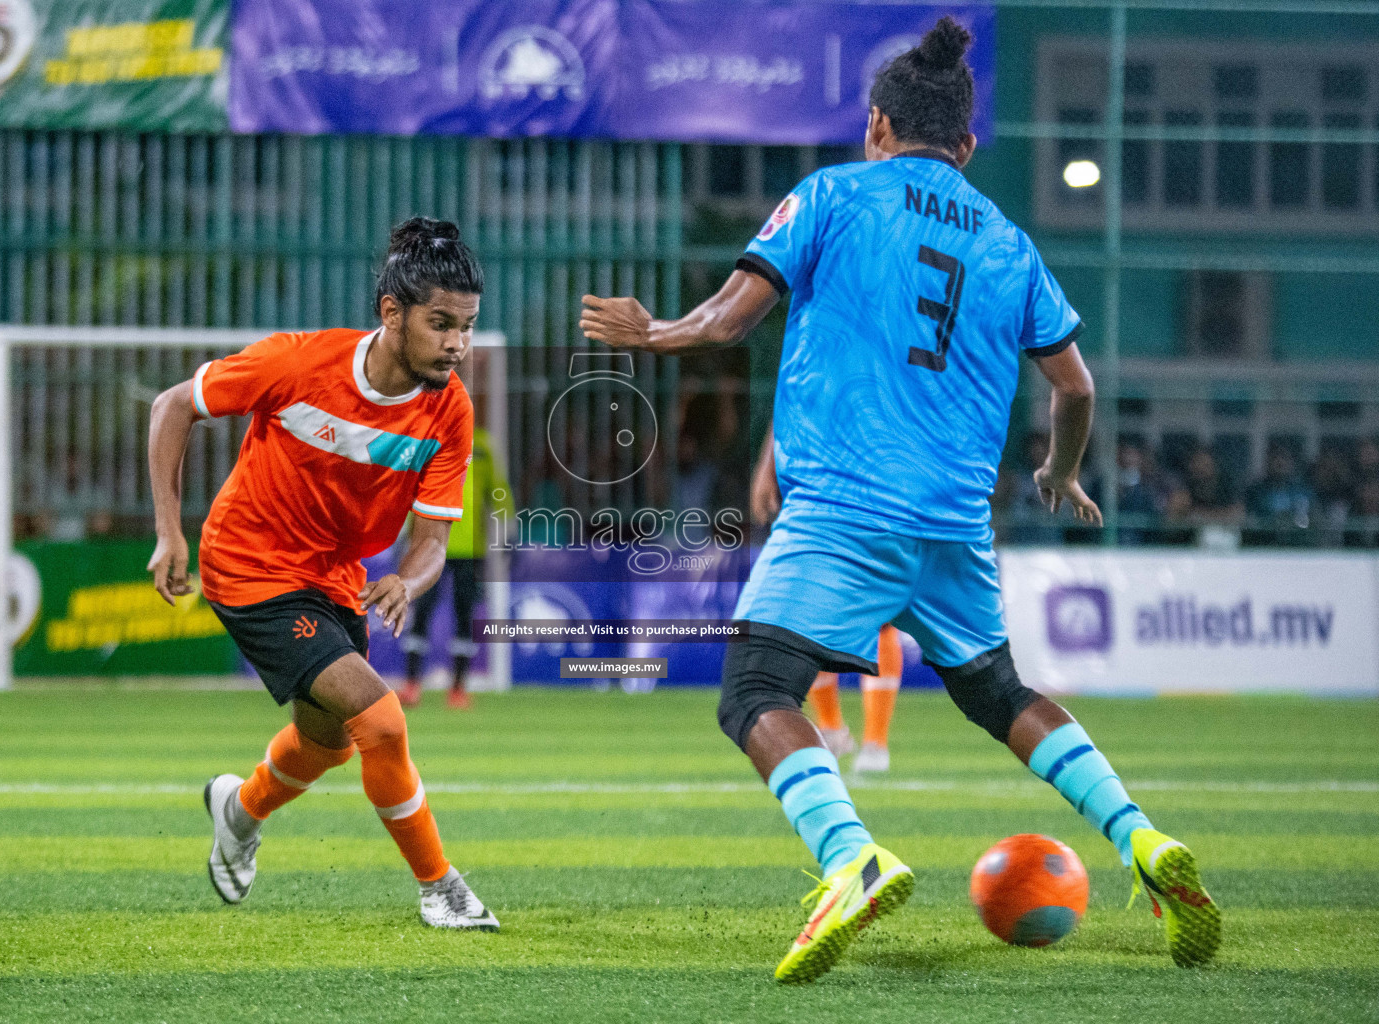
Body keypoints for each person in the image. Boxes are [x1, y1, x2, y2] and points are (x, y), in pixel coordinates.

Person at [580, 18, 1218, 982]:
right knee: (998, 690)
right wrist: (1058, 473)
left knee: (755, 689)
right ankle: (1140, 839)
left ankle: (850, 861)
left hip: (846, 505)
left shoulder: (832, 195)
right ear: (965, 148)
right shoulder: (1008, 242)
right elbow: (1076, 388)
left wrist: (655, 332)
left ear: (877, 123)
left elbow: (729, 318)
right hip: (957, 521)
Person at [146, 217, 499, 931]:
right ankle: (441, 887)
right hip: (248, 562)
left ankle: (237, 811)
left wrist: (411, 579)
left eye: (466, 327)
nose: (457, 345)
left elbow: (433, 538)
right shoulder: (297, 364)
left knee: (327, 744)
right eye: (441, 325)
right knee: (381, 719)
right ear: (391, 314)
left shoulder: (449, 413)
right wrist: (166, 531)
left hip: (335, 577)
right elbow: (172, 406)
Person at [753, 424, 901, 773]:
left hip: (874, 491)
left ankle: (876, 743)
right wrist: (767, 469)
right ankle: (832, 727)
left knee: (878, 619)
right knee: (812, 614)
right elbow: (787, 399)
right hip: (816, 495)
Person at [399, 425, 513, 710]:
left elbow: (497, 491)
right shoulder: (427, 439)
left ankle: (458, 688)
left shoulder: (483, 444)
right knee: (422, 611)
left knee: (464, 616)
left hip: (471, 549)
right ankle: (412, 684)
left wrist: (509, 528)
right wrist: (402, 536)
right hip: (428, 544)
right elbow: (407, 487)